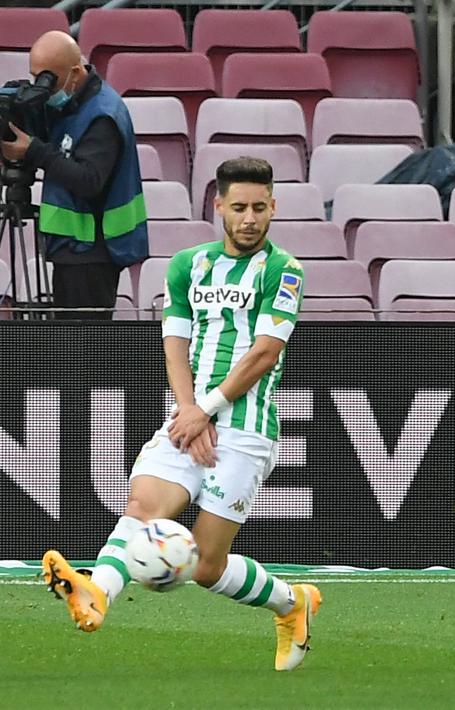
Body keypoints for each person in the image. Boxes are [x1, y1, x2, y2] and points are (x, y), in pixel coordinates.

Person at [40, 157, 319, 671]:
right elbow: (175, 341)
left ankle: (292, 603)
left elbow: (264, 353)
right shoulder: (189, 264)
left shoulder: (285, 271)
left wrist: (207, 411)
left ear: (274, 207)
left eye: (260, 207)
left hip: (246, 429)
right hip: (191, 417)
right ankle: (95, 593)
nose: (250, 218)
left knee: (207, 566)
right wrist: (190, 411)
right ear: (219, 207)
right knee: (143, 505)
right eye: (239, 207)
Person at [0, 30, 148, 319]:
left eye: (48, 80)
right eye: (35, 76)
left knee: (83, 353)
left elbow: (89, 180)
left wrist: (33, 151)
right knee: (67, 349)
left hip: (93, 253)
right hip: (71, 248)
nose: (43, 88)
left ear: (75, 73)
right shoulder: (68, 102)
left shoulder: (103, 114)